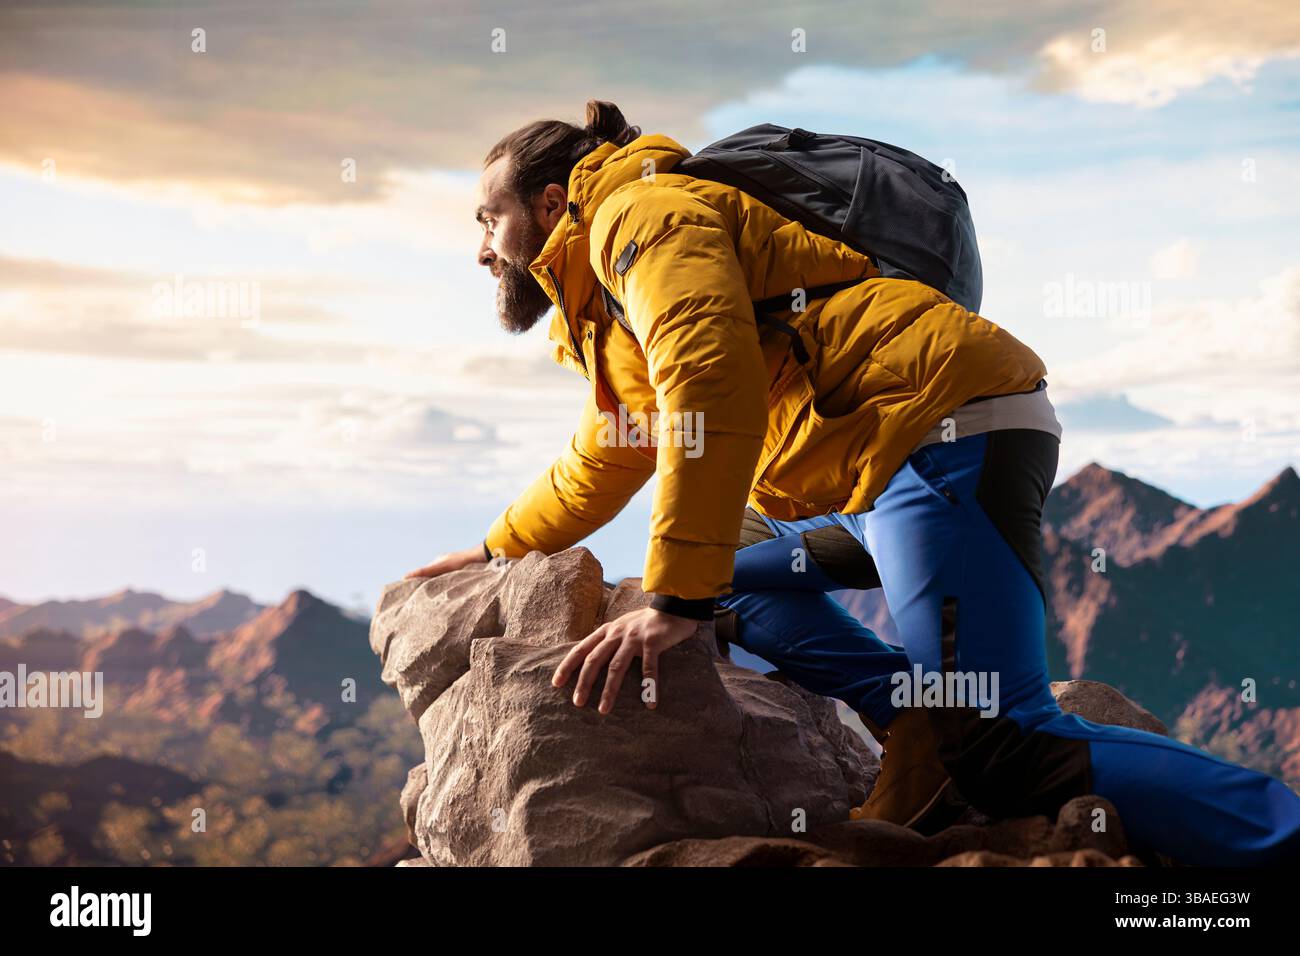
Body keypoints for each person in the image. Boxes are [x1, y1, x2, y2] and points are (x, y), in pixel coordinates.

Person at [406, 99, 1300, 865]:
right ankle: (914, 717)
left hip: (945, 435)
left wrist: (674, 600)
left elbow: (708, 382)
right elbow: (614, 446)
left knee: (1006, 745)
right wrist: (495, 548)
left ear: (550, 202)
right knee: (728, 573)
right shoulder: (602, 305)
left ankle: (1279, 833)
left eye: (488, 220)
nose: (482, 250)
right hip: (876, 483)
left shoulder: (639, 217)